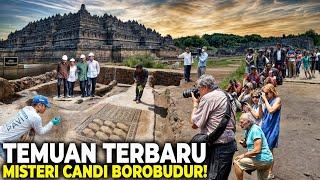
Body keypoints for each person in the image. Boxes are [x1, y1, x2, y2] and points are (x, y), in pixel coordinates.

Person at [191, 75, 237, 180]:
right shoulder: (227, 95)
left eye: (199, 89)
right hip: (229, 144)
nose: (199, 92)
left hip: (218, 146)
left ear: (205, 87)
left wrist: (195, 104)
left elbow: (194, 124)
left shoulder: (208, 98)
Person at [0, 95, 61, 160]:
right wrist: (52, 123)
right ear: (39, 105)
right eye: (45, 106)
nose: (46, 108)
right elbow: (41, 132)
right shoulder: (36, 117)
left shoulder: (26, 109)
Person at [234, 113, 273, 180]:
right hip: (263, 159)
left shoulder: (255, 130)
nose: (240, 124)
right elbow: (250, 145)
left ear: (249, 122)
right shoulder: (248, 130)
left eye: (242, 122)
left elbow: (257, 150)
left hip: (263, 159)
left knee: (237, 162)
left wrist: (243, 155)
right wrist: (244, 144)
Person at [261, 84, 282, 179]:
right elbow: (260, 115)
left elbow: (271, 110)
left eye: (266, 93)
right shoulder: (267, 100)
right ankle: (264, 169)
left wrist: (265, 100)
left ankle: (270, 172)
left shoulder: (277, 100)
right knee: (263, 148)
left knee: (270, 150)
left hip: (273, 128)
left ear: (271, 91)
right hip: (265, 126)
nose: (265, 95)